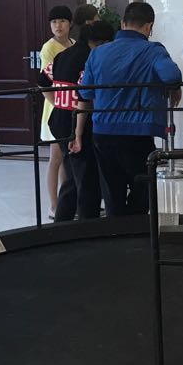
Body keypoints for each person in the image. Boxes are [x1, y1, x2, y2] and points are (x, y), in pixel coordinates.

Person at [74, 2, 182, 216]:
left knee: (112, 191)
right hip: (138, 132)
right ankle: (136, 229)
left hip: (103, 131)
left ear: (123, 23)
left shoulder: (98, 53)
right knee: (142, 188)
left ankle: (117, 230)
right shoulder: (153, 50)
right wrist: (174, 88)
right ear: (149, 26)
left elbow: (85, 93)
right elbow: (171, 76)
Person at [50, 20, 115, 221]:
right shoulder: (89, 57)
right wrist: (78, 133)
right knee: (87, 179)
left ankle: (62, 221)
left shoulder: (62, 55)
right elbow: (83, 97)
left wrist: (59, 102)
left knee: (72, 176)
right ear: (102, 42)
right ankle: (88, 224)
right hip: (78, 121)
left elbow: (43, 81)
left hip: (58, 118)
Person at [38, 5, 74, 219]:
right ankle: (53, 205)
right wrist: (58, 104)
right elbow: (45, 83)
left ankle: (66, 202)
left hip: (70, 107)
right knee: (56, 158)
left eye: (62, 21)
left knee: (66, 159)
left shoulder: (74, 44)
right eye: (54, 22)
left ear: (70, 23)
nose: (58, 26)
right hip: (55, 109)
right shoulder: (48, 48)